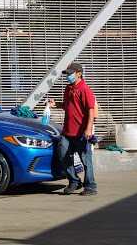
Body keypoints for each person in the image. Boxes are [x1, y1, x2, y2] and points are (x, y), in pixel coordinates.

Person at [47, 62, 97, 196]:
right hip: (68, 132)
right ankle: (74, 181)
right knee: (63, 154)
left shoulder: (85, 90)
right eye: (67, 74)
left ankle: (90, 186)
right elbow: (68, 106)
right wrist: (55, 104)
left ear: (79, 74)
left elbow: (91, 111)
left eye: (70, 74)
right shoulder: (68, 89)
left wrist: (88, 129)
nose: (68, 76)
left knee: (86, 161)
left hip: (81, 133)